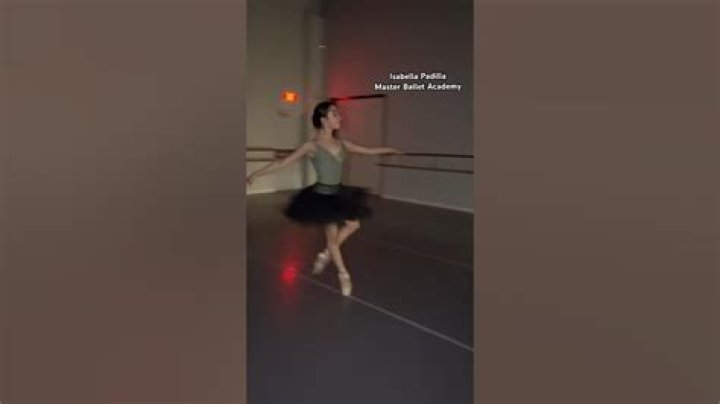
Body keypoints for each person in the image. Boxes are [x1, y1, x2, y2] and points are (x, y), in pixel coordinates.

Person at [246, 100, 403, 296]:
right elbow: (282, 162)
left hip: (339, 193)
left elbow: (368, 150)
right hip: (322, 197)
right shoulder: (312, 146)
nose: (340, 117)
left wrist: (388, 150)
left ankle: (326, 253)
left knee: (353, 225)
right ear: (323, 119)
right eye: (335, 114)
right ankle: (343, 274)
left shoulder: (342, 144)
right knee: (332, 237)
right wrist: (255, 174)